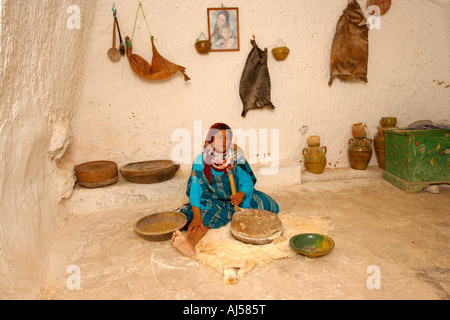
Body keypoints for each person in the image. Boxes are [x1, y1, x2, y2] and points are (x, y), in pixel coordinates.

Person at [171, 123, 279, 257]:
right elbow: (195, 189)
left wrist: (241, 194)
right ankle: (190, 244)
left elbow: (246, 181)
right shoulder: (200, 160)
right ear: (210, 140)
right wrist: (197, 217)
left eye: (227, 138)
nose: (223, 141)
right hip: (212, 199)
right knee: (201, 217)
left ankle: (232, 210)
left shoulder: (236, 157)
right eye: (218, 137)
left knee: (266, 203)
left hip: (235, 199)